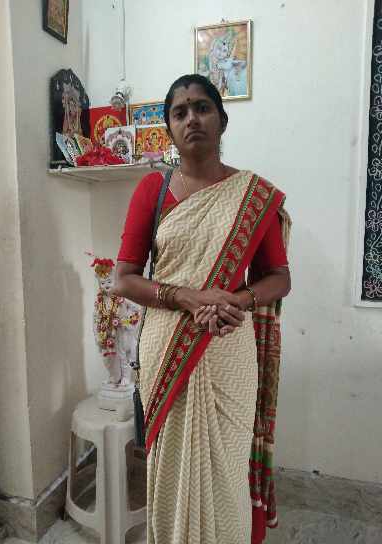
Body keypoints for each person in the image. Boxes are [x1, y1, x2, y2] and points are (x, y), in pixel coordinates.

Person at [116, 73, 291, 544]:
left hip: (229, 344)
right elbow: (124, 277)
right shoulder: (151, 190)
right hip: (167, 345)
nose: (191, 118)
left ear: (222, 119)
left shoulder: (253, 196)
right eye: (179, 112)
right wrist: (185, 297)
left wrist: (239, 299)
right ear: (170, 130)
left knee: (226, 470)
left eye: (202, 107)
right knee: (171, 470)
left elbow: (279, 277)